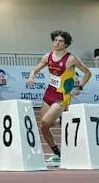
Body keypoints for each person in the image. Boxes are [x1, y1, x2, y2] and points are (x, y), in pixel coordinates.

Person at [25, 30, 92, 162]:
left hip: (62, 95)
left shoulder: (71, 59)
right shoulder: (47, 57)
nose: (57, 43)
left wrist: (80, 86)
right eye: (55, 40)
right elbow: (35, 70)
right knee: (44, 126)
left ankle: (62, 117)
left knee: (46, 121)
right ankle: (57, 153)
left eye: (60, 41)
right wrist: (31, 77)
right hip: (49, 93)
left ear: (66, 44)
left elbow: (87, 73)